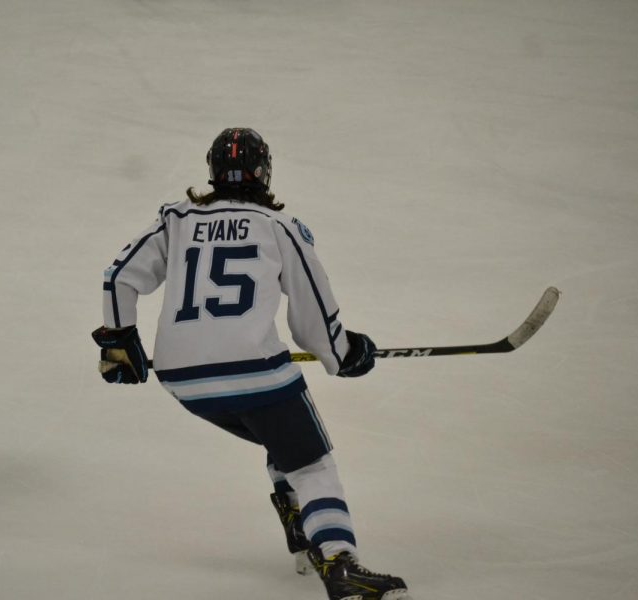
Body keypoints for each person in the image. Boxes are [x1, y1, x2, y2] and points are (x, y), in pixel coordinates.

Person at [92, 128, 411, 600]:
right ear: (264, 172)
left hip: (182, 380)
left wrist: (118, 341)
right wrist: (344, 353)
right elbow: (311, 317)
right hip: (252, 371)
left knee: (281, 438)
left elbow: (118, 277)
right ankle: (341, 566)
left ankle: (299, 520)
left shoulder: (178, 219)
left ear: (212, 172)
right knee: (313, 463)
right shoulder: (277, 226)